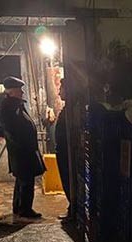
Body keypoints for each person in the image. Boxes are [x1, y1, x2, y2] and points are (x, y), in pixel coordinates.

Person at [0, 76, 45, 219]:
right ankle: (25, 209)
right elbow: (12, 130)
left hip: (23, 151)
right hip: (22, 152)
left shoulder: (15, 105)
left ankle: (18, 207)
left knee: (22, 180)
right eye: (19, 90)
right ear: (12, 91)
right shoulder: (9, 107)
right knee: (26, 181)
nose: (22, 92)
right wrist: (22, 146)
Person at [55, 79, 71, 221]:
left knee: (68, 178)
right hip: (63, 150)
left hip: (67, 152)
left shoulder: (71, 110)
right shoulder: (67, 109)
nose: (59, 92)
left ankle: (73, 207)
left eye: (61, 89)